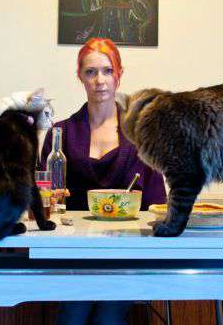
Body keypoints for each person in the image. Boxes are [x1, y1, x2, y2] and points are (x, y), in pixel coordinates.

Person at [41, 37, 166, 325]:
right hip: (73, 251)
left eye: (107, 71)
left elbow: (158, 203)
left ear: (119, 74)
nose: (100, 81)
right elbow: (43, 198)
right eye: (91, 72)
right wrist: (49, 200)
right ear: (80, 77)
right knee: (73, 315)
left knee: (108, 318)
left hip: (128, 251)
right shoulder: (60, 134)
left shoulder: (142, 135)